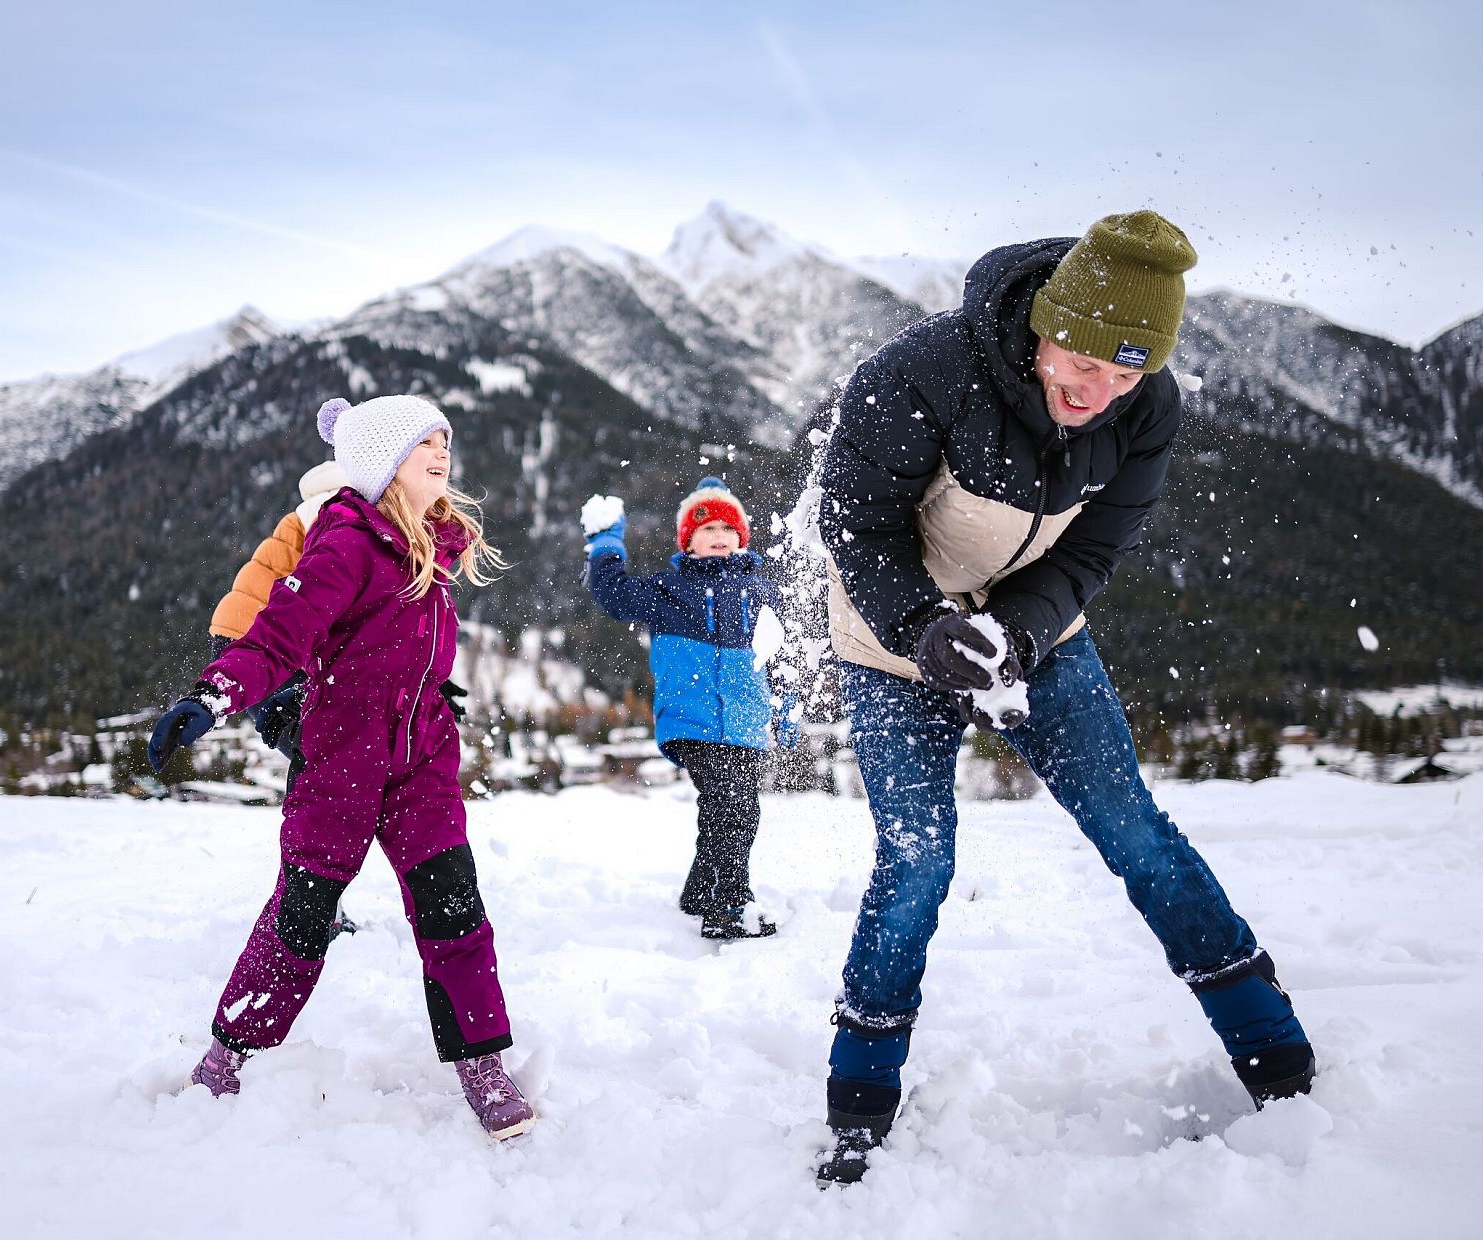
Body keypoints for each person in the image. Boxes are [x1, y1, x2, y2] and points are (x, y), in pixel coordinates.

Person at [811, 212, 1314, 1185]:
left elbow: (1093, 550)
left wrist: (1020, 635)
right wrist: (927, 629)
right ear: (1046, 319)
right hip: (893, 638)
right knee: (917, 860)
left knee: (1134, 828)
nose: (1098, 394)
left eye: (1125, 376)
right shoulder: (920, 375)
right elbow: (854, 523)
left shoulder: (1145, 408)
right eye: (1084, 363)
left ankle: (1276, 1055)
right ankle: (859, 1099)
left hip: (1032, 635)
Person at [148, 393, 535, 1140]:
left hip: (420, 760)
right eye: (425, 441)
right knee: (301, 915)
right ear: (385, 459)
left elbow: (409, 652)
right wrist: (213, 693)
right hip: (339, 764)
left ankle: (482, 1063)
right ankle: (230, 1050)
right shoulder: (346, 541)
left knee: (455, 910)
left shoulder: (435, 546)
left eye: (446, 440)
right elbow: (278, 634)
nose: (443, 451)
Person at [581, 477, 794, 940]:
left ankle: (700, 892)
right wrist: (606, 545)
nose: (717, 534)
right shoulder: (669, 589)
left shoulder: (761, 593)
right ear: (687, 541)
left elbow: (781, 658)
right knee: (733, 805)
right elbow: (614, 594)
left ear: (742, 536)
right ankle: (728, 905)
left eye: (727, 527)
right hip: (692, 721)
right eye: (705, 527)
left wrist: (786, 709)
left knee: (727, 807)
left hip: (746, 724)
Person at [206, 458, 359, 939]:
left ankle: (309, 902)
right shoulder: (334, 505)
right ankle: (305, 907)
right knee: (320, 763)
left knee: (319, 762)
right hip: (262, 647)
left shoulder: (318, 506)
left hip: (250, 639)